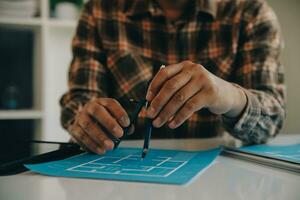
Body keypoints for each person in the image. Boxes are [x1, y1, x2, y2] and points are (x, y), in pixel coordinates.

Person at [60, 0, 286, 155]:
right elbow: (80, 98)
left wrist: (226, 94)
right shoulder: (100, 10)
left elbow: (272, 119)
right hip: (116, 178)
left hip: (218, 179)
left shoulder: (251, 12)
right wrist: (86, 119)